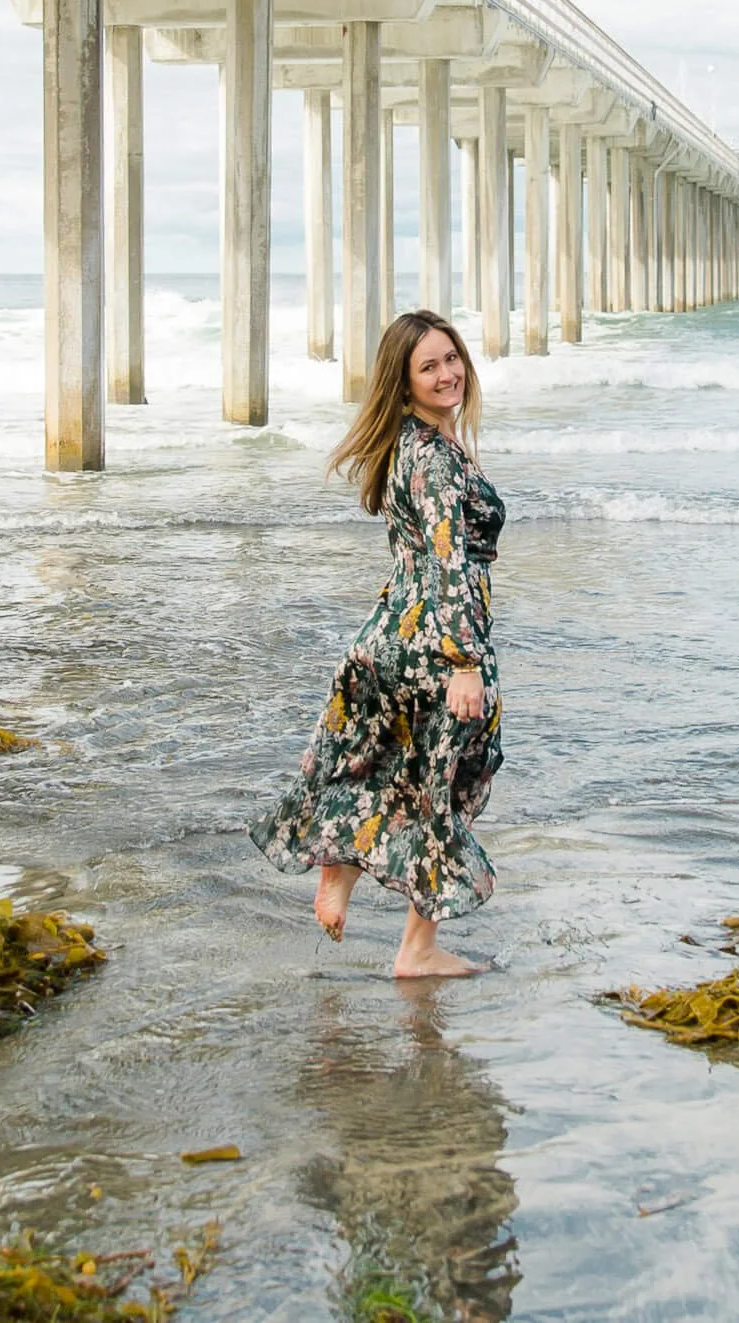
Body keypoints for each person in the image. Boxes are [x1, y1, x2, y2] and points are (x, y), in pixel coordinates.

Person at [251, 309, 506, 979]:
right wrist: (463, 662)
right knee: (448, 782)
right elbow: (450, 559)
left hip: (391, 629)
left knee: (381, 759)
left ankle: (338, 874)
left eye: (451, 358)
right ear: (404, 381)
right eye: (429, 365)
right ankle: (417, 949)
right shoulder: (438, 459)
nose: (447, 372)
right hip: (437, 641)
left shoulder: (406, 445)